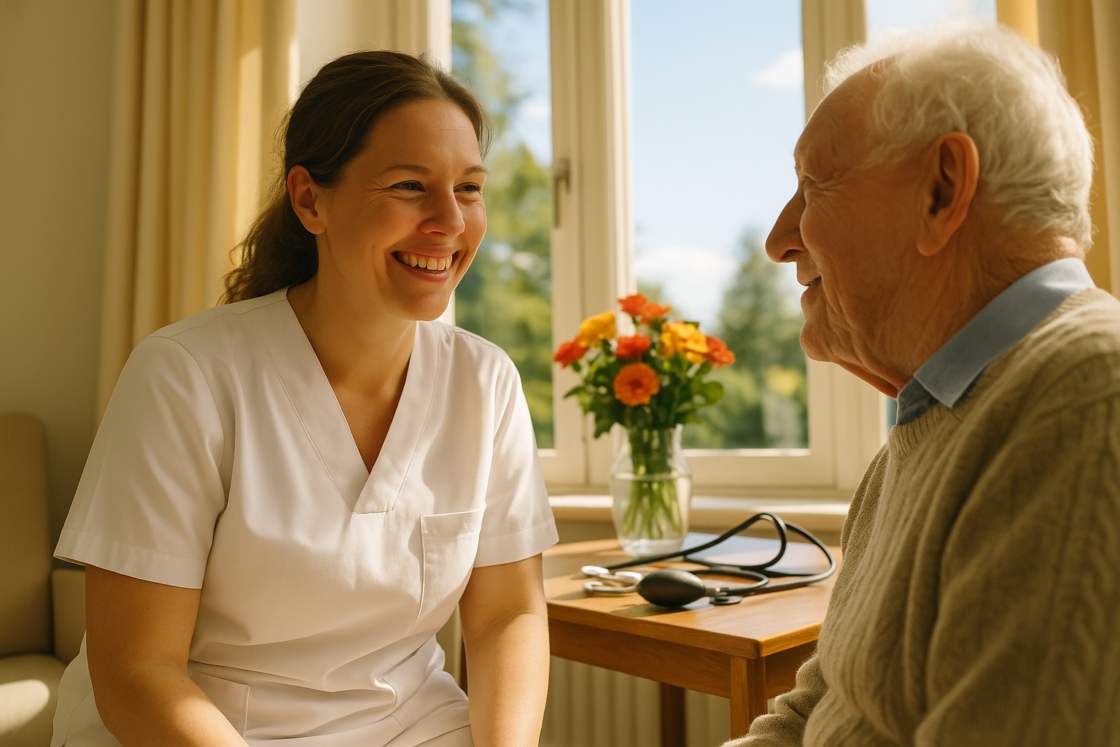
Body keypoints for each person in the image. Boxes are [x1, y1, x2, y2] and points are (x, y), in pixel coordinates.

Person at [50, 51, 558, 747]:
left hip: (409, 727)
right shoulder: (185, 375)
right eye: (411, 185)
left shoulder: (486, 382)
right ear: (310, 199)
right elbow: (137, 668)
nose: (450, 221)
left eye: (468, 188)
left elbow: (507, 615)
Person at [727, 20, 1120, 747]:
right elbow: (810, 714)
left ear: (942, 189)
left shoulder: (1091, 395)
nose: (780, 238)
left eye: (814, 183)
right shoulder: (921, 432)